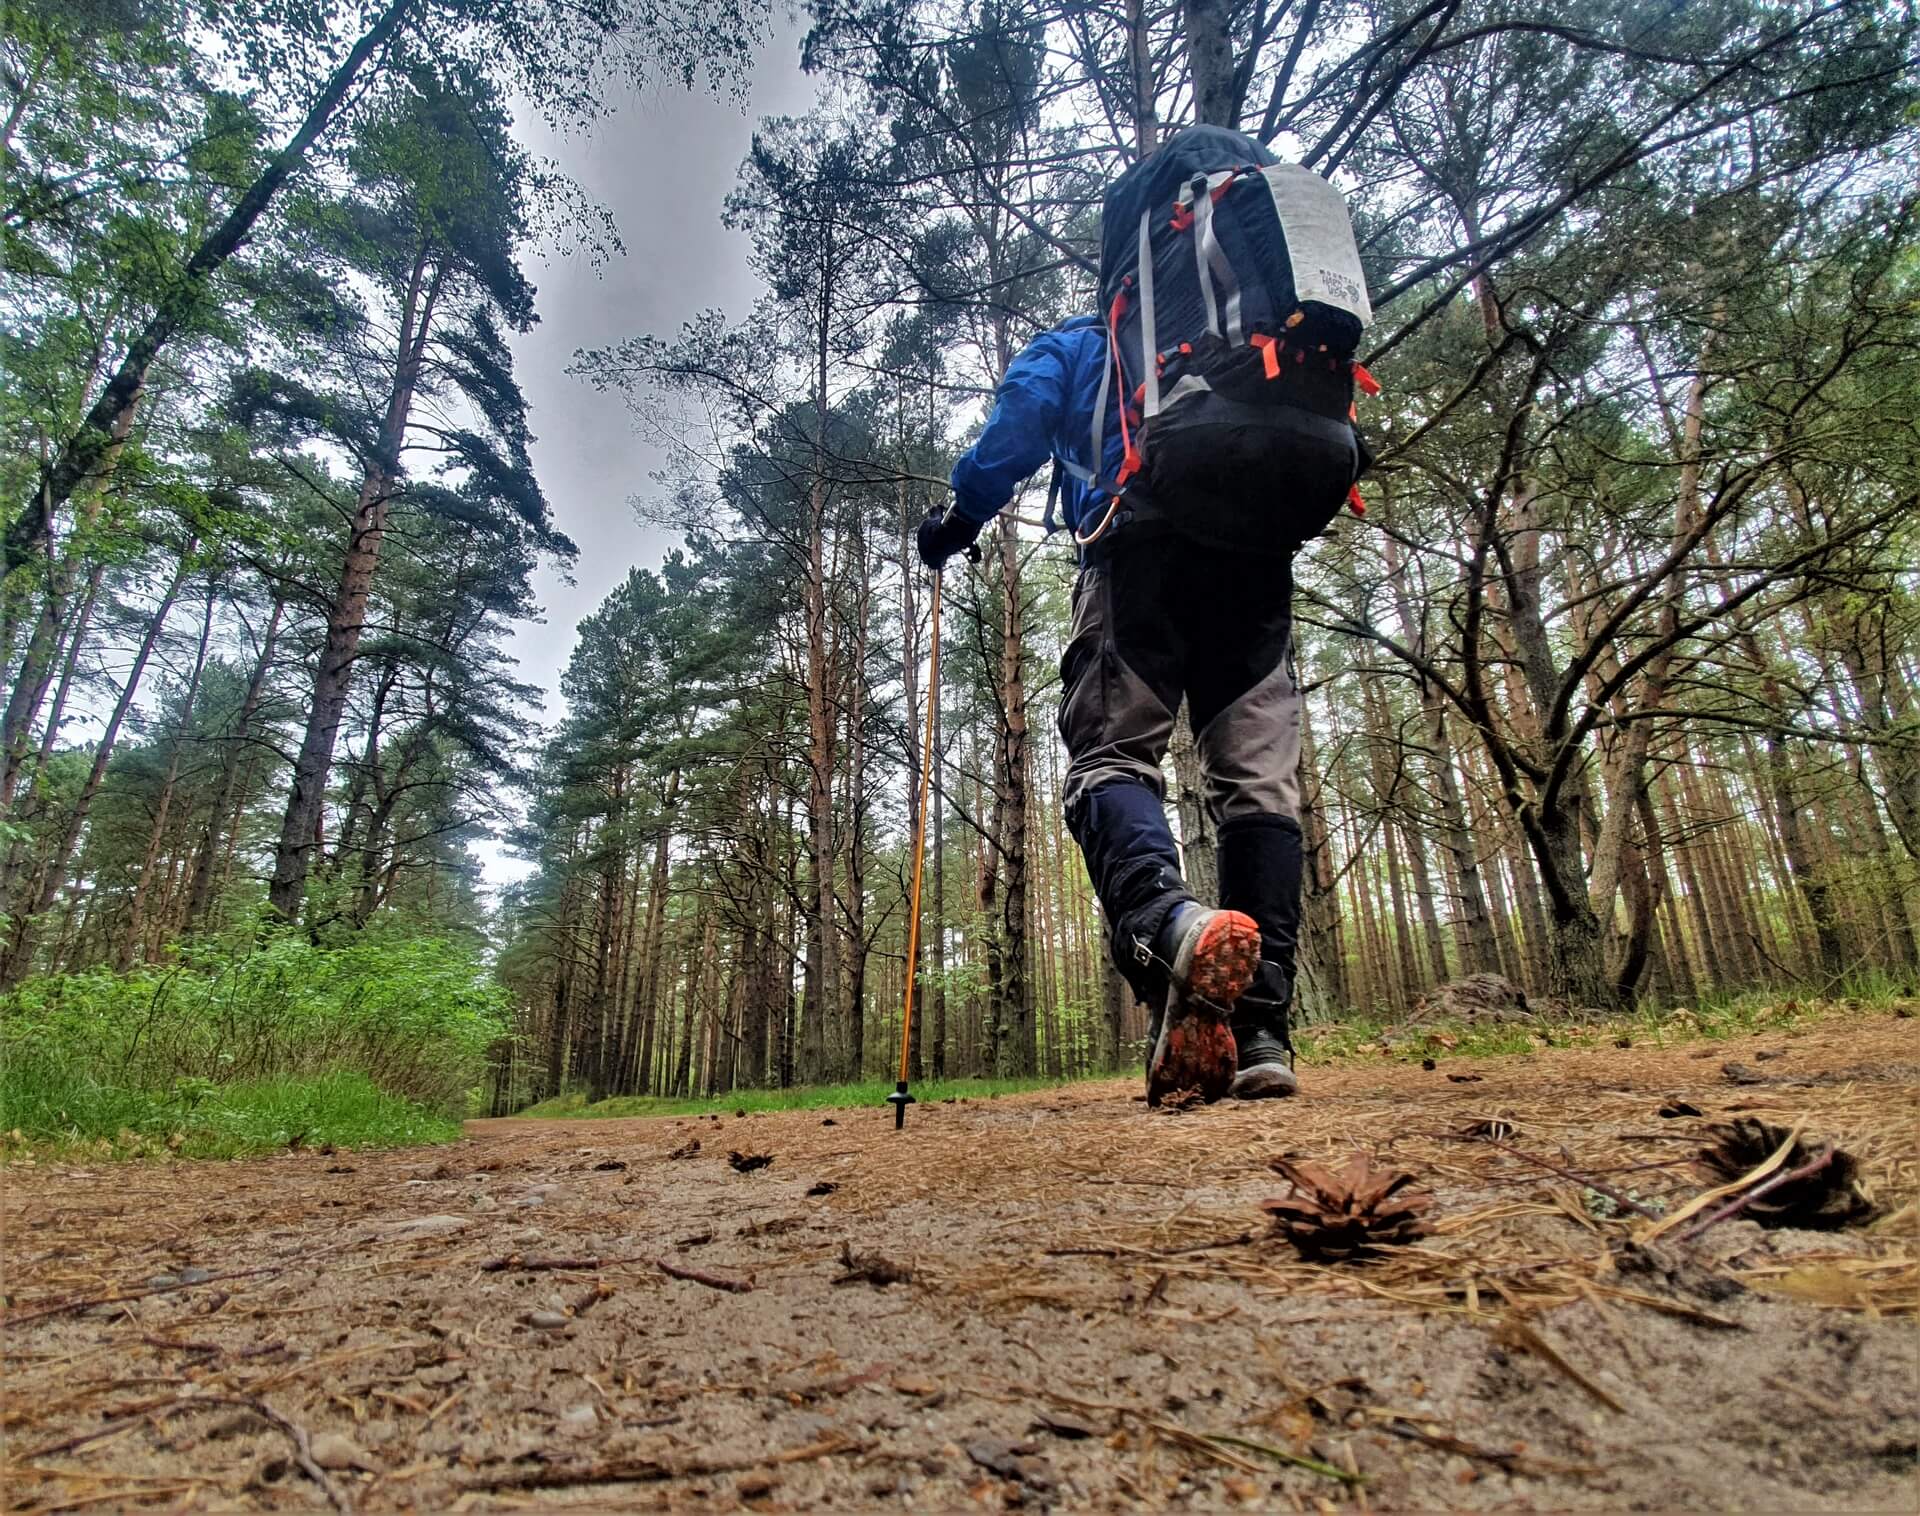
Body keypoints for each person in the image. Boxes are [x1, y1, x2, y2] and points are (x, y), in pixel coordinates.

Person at [917, 315, 1307, 1104]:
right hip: (1256, 560)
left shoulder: (1081, 341)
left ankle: (1169, 927)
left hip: (1134, 545)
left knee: (1111, 758)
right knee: (1259, 784)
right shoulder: (1245, 330)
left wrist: (960, 520)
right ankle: (1262, 1031)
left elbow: (1022, 417)